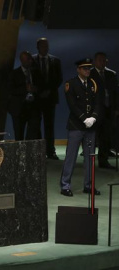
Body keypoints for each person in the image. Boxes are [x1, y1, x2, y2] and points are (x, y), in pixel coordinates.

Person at [59, 58, 102, 197]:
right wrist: (84, 118)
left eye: (89, 68)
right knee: (71, 157)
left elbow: (97, 102)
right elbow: (72, 105)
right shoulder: (70, 84)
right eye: (84, 68)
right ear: (78, 69)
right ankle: (65, 185)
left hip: (90, 126)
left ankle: (88, 185)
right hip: (76, 125)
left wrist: (93, 117)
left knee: (90, 157)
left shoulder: (93, 84)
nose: (87, 71)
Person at [33, 38, 63, 160]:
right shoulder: (32, 60)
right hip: (36, 98)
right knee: (36, 125)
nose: (46, 48)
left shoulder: (55, 61)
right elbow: (31, 77)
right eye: (43, 46)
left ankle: (50, 151)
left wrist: (48, 91)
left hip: (50, 98)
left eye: (47, 46)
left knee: (49, 125)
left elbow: (59, 79)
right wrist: (39, 92)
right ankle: (39, 151)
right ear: (38, 47)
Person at [89, 52, 118, 169]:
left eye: (104, 60)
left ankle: (103, 160)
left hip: (108, 109)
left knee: (106, 136)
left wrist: (116, 109)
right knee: (91, 136)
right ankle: (88, 160)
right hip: (94, 110)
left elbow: (116, 93)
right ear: (95, 61)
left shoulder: (112, 74)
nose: (102, 62)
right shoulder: (89, 74)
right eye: (100, 60)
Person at [7, 51, 41, 141]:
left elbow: (42, 87)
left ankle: (29, 153)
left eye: (31, 59)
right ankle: (20, 154)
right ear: (22, 60)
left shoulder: (36, 73)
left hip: (33, 108)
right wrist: (25, 89)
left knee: (32, 134)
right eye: (28, 59)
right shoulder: (14, 74)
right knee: (19, 135)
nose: (30, 61)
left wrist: (35, 89)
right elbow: (10, 90)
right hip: (19, 109)